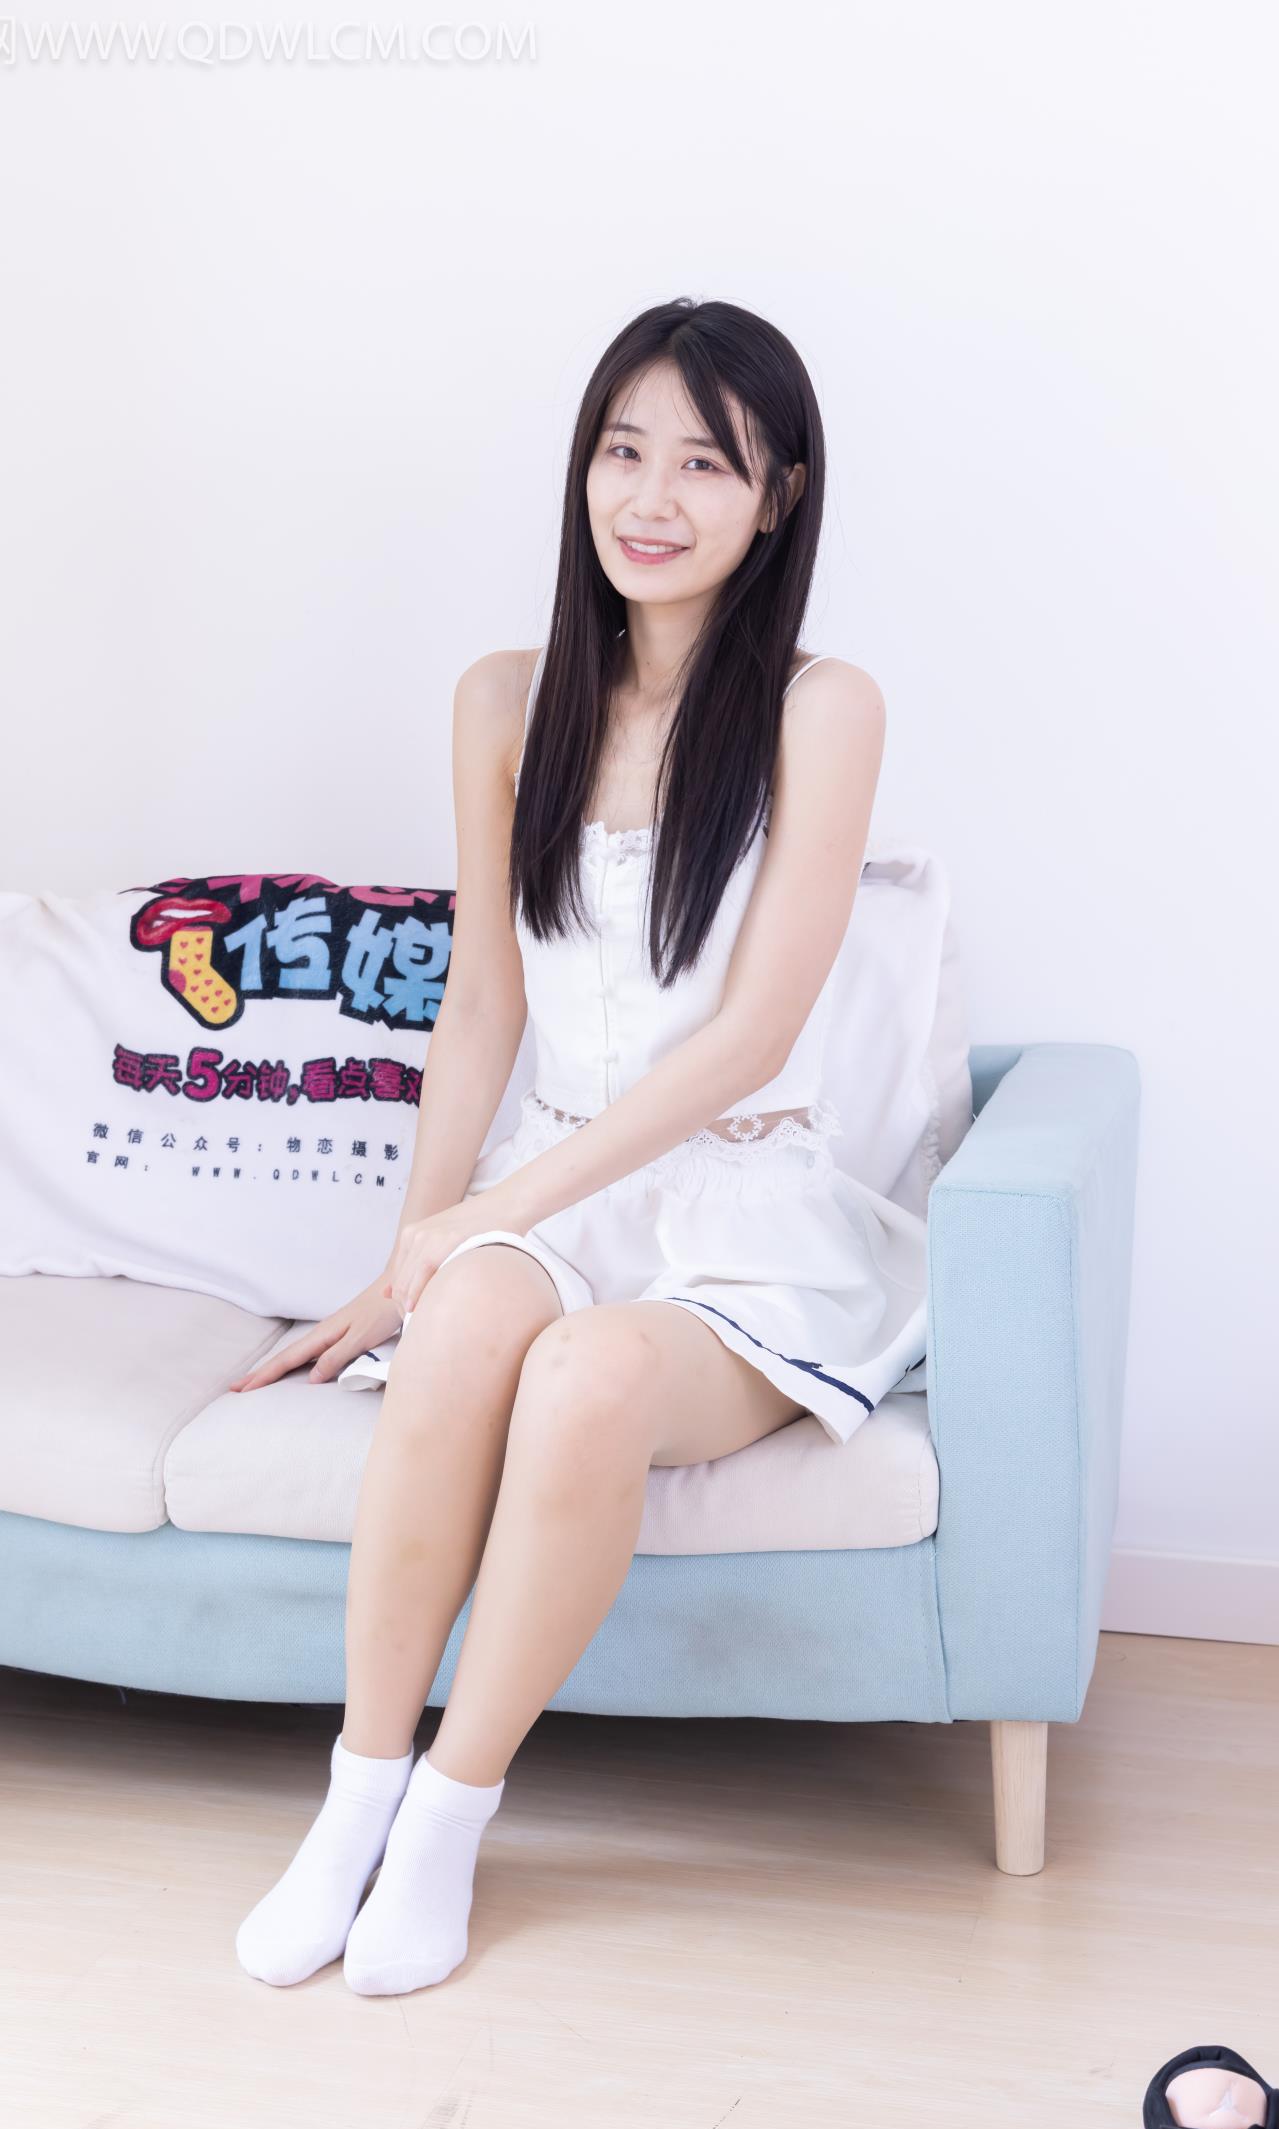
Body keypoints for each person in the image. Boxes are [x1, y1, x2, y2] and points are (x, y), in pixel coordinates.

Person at [228, 296, 927, 1998]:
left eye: (706, 463)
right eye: (624, 451)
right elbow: (483, 1003)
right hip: (553, 1187)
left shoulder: (823, 709)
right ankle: (358, 1791)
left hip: (742, 1209)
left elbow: (752, 1033)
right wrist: (418, 1253)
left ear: (780, 494)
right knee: (471, 1320)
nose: (652, 497)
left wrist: (495, 1211)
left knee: (589, 1374)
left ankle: (452, 1816)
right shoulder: (504, 699)